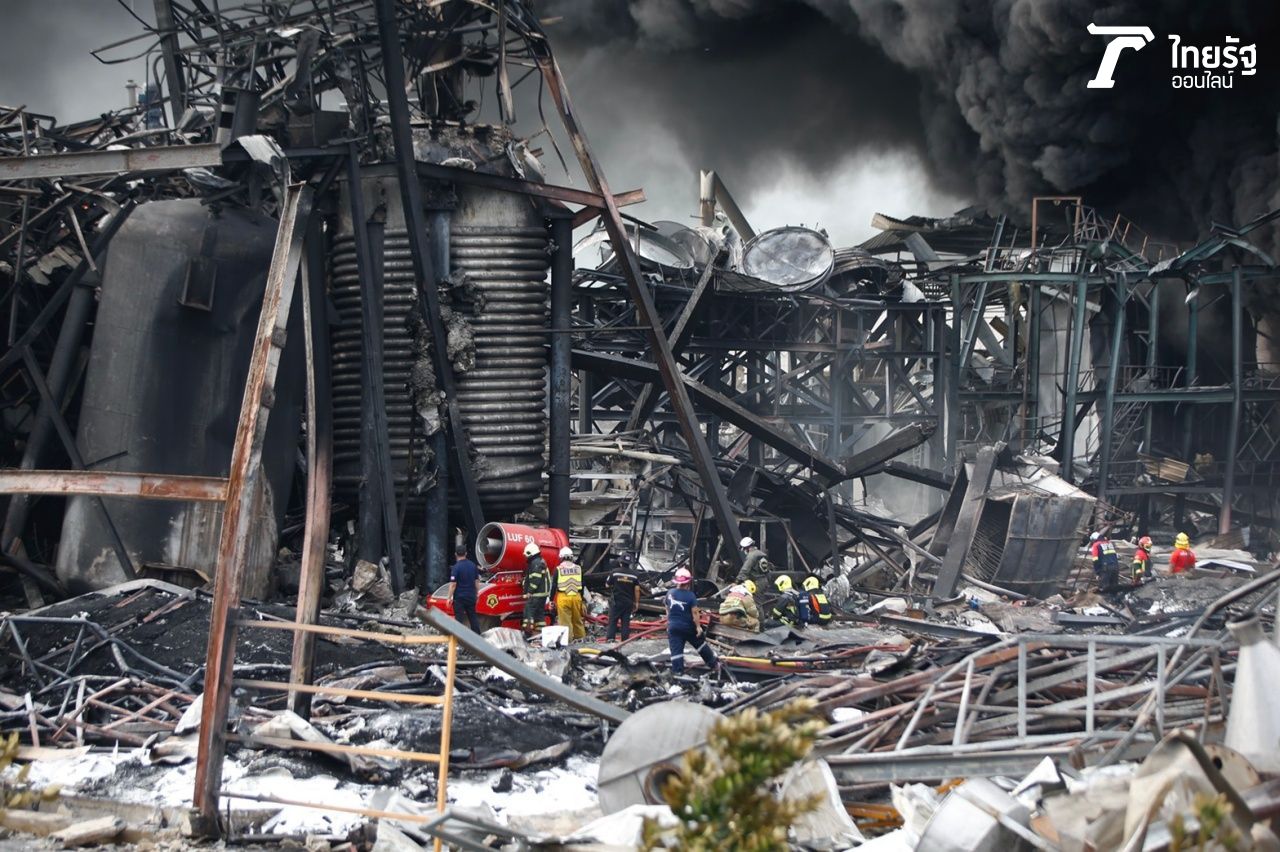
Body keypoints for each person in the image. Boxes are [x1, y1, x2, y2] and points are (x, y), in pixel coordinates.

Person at [665, 568, 718, 676]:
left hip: (673, 627)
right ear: (688, 582)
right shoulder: (690, 596)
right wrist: (698, 627)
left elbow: (667, 609)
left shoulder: (669, 593)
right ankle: (714, 665)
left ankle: (678, 674)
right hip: (688, 627)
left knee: (676, 651)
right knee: (700, 644)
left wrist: (669, 623)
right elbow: (695, 613)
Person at [605, 556, 642, 641]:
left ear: (620, 562)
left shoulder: (614, 572)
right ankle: (625, 640)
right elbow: (637, 590)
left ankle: (610, 639)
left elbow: (607, 585)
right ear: (629, 564)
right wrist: (637, 603)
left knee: (613, 621)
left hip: (616, 602)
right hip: (628, 602)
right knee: (625, 622)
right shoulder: (635, 575)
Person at [555, 545, 586, 641]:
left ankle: (567, 641)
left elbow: (554, 585)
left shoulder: (559, 569)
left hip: (563, 597)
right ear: (571, 557)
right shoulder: (578, 568)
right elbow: (582, 585)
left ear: (561, 557)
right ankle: (581, 640)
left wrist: (551, 599)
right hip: (576, 596)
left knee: (565, 622)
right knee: (578, 621)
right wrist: (582, 600)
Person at [447, 544, 480, 632]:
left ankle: (459, 637)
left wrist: (449, 598)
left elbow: (453, 585)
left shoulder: (456, 567)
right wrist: (477, 594)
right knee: (473, 617)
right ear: (466, 553)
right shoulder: (473, 565)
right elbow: (476, 582)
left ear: (455, 554)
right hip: (471, 596)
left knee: (459, 619)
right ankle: (477, 635)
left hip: (459, 598)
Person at [521, 542, 551, 635]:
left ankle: (528, 633)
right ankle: (540, 632)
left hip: (537, 593)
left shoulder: (535, 563)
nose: (526, 557)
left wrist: (529, 591)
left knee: (529, 611)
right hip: (543, 594)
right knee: (539, 614)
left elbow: (535, 579)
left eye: (527, 555)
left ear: (531, 553)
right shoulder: (540, 561)